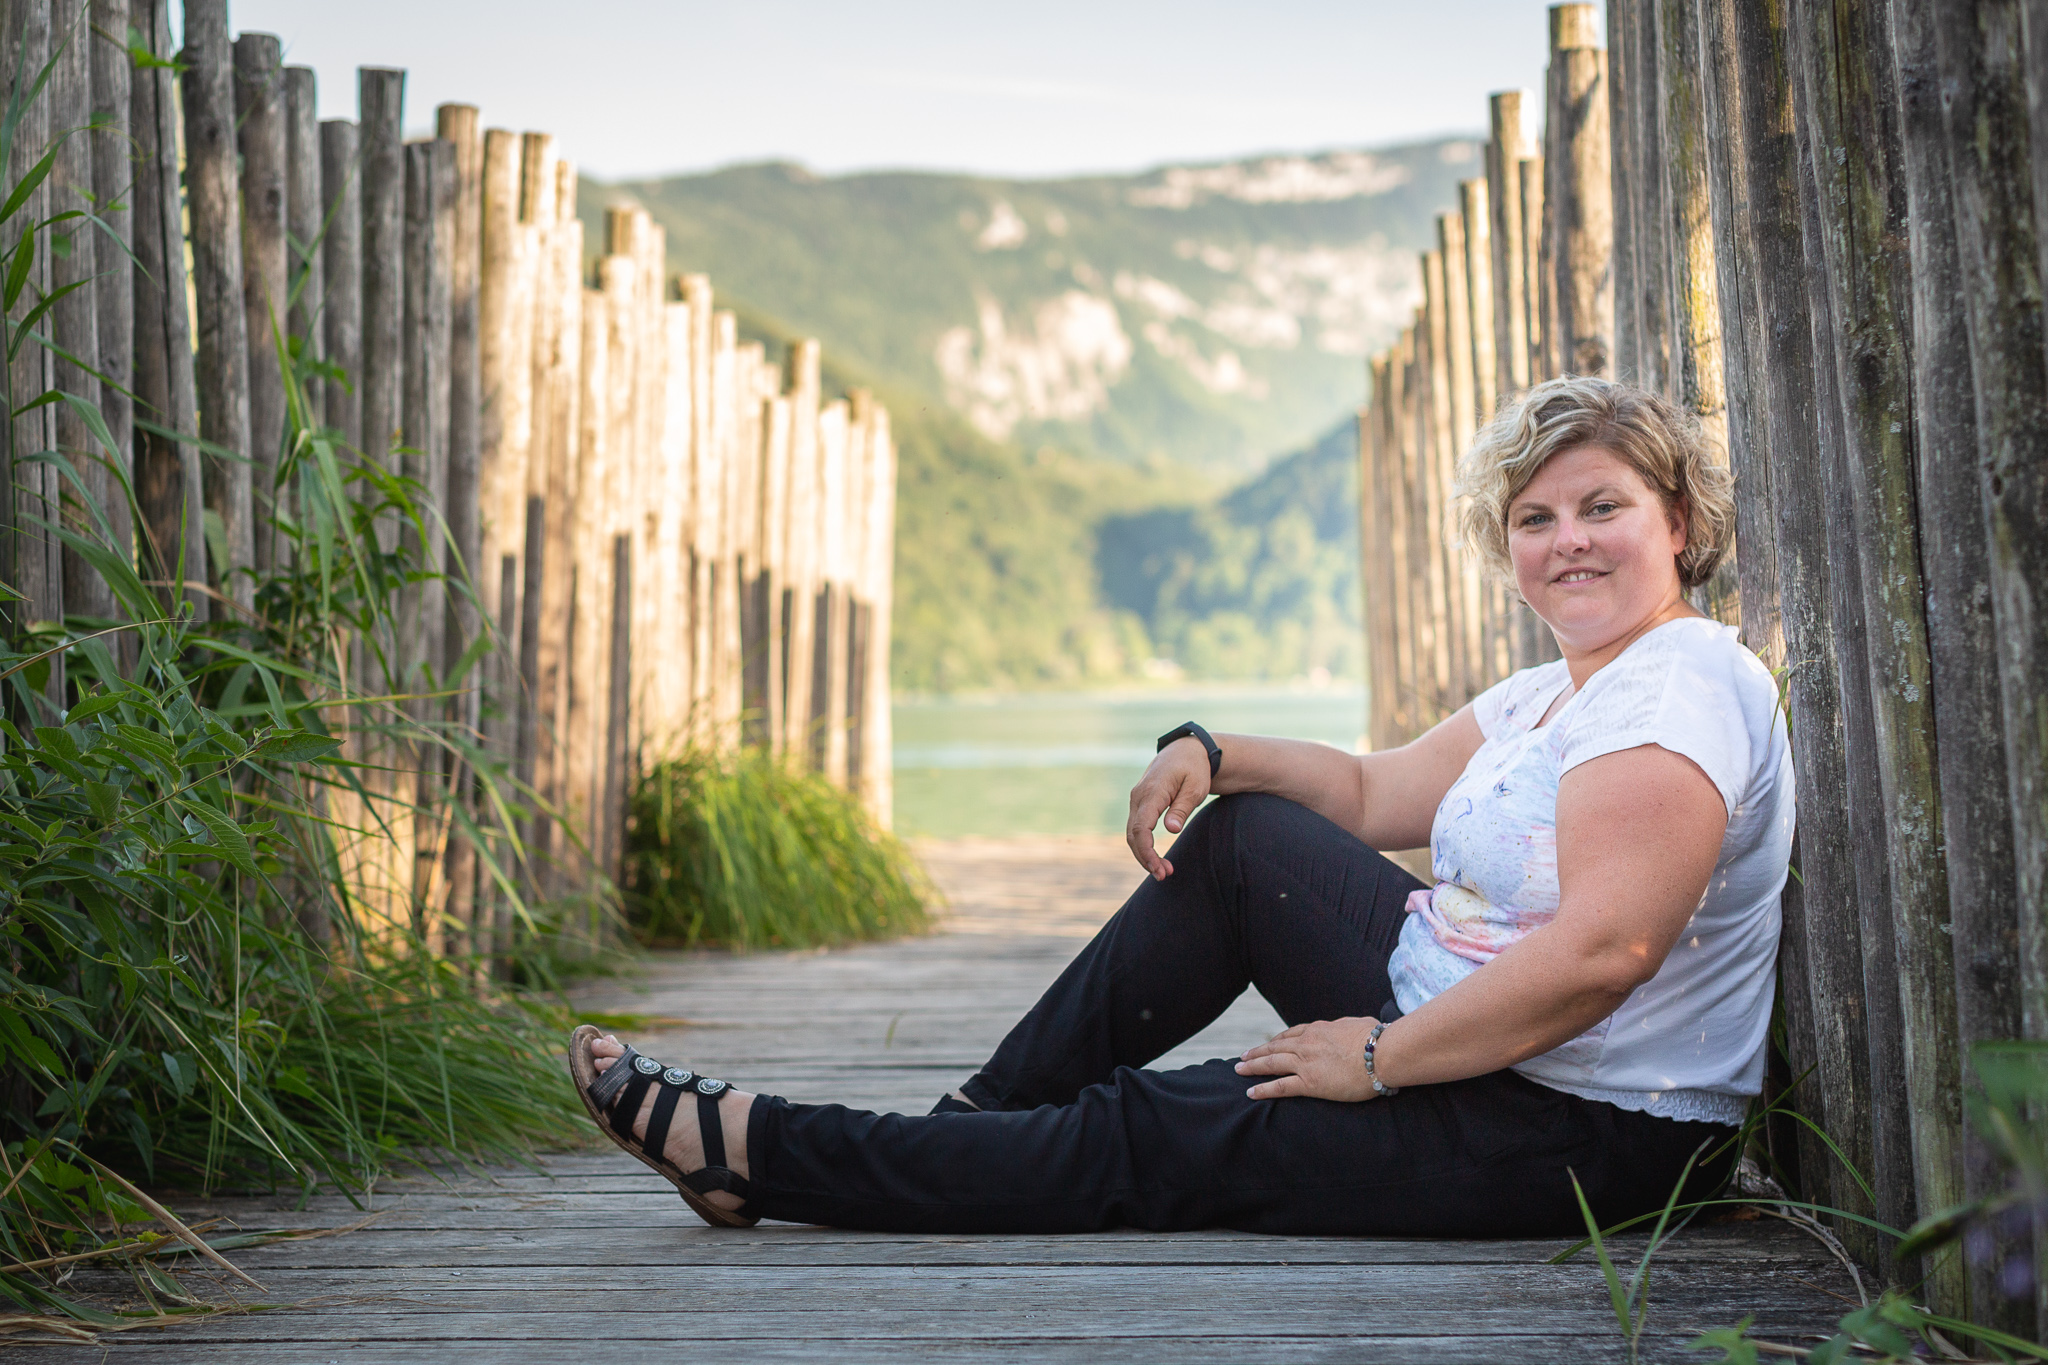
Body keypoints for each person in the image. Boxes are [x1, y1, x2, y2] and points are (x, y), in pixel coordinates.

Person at [567, 374, 1794, 1237]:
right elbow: (1370, 791)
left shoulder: (1676, 686)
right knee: (1246, 839)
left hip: (1583, 1125)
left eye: (1602, 508)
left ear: (1676, 525)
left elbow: (1606, 951)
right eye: (1534, 519)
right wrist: (1213, 749)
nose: (1565, 542)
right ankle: (969, 1137)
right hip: (1464, 1019)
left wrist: (1376, 1060)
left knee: (1160, 1128)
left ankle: (763, 1154)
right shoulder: (1554, 690)